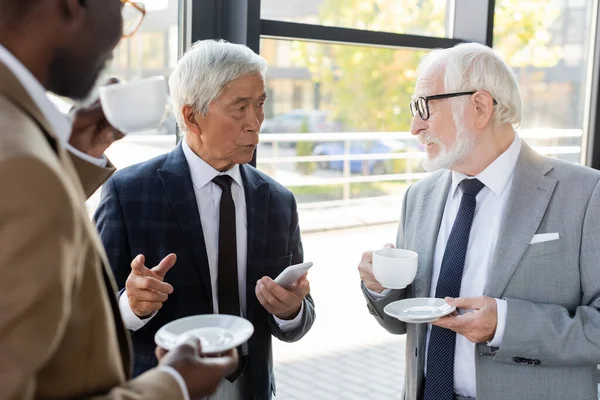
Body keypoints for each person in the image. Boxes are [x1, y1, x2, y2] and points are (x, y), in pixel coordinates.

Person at [0, 1, 238, 399]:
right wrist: (173, 384)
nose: (123, 33)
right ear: (73, 6)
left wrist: (71, 159)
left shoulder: (20, 137)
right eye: (123, 6)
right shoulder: (23, 163)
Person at [358, 42, 600, 400]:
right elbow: (403, 321)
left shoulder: (586, 193)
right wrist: (382, 288)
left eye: (424, 106)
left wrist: (505, 324)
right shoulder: (419, 196)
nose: (414, 127)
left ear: (480, 107)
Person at [94, 39, 316, 400]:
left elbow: (298, 321)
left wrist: (291, 311)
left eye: (259, 104)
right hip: (164, 389)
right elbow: (89, 315)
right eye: (239, 108)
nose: (255, 123)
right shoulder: (128, 192)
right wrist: (130, 306)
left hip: (253, 390)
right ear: (191, 116)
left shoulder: (278, 201)